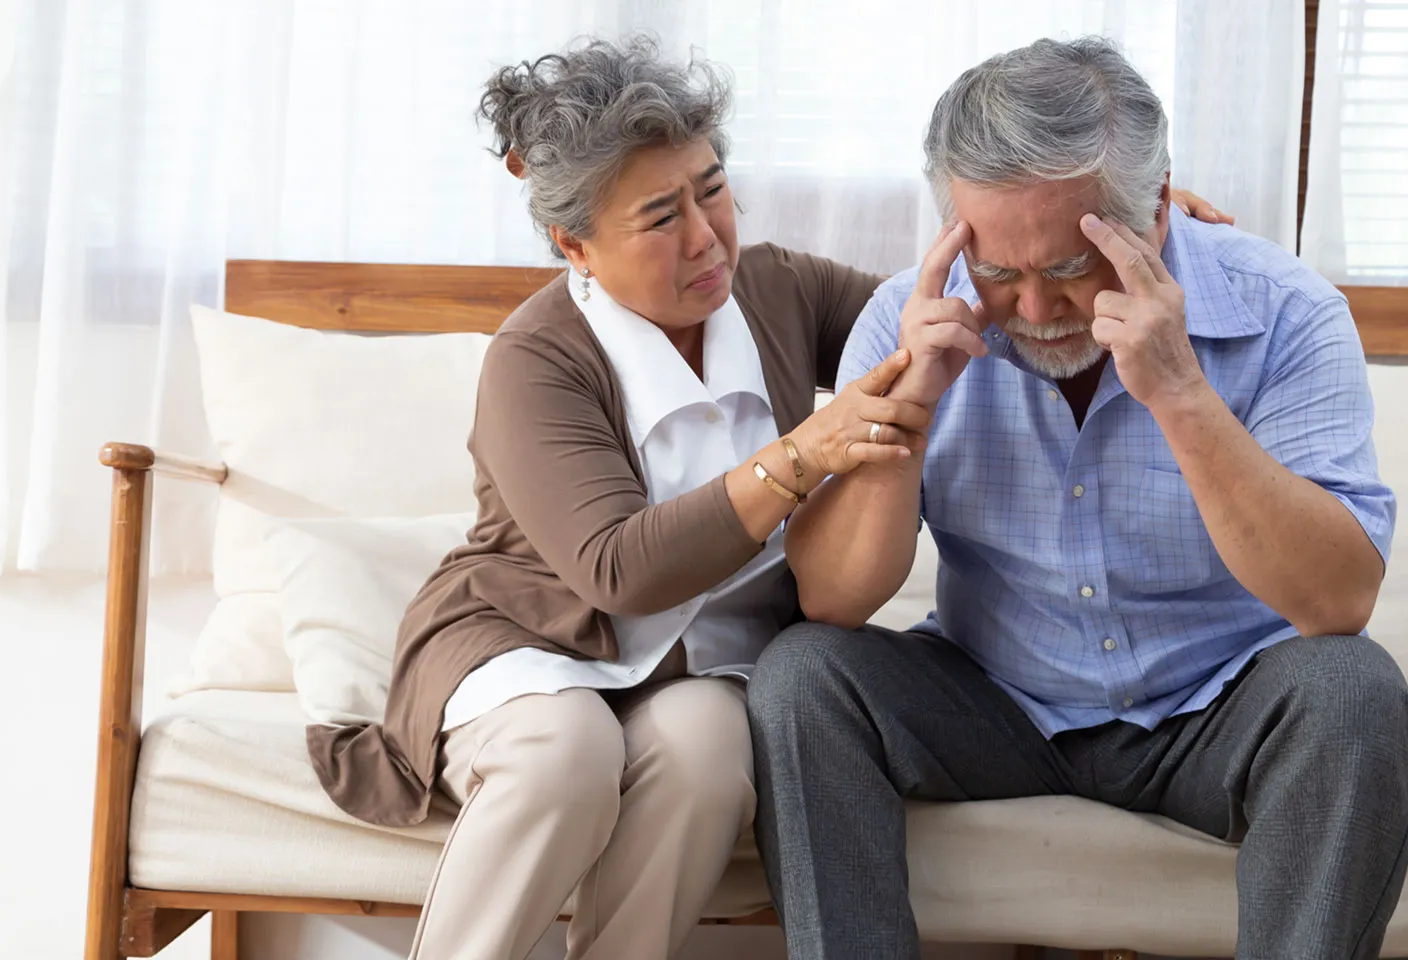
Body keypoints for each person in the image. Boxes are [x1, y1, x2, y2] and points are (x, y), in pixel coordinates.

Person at [306, 34, 1232, 960]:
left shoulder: (777, 288)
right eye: (660, 216)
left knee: (710, 752)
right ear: (574, 243)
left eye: (711, 188)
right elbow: (618, 569)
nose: (706, 236)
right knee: (568, 754)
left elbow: (961, 320)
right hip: (533, 643)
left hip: (692, 670)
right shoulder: (536, 357)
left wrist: (1121, 234)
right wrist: (804, 452)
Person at [747, 35, 1406, 960]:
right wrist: (912, 412)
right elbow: (834, 599)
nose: (1034, 309)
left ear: (1159, 212)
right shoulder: (910, 320)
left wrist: (1181, 393)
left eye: (1067, 269)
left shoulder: (1289, 313)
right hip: (998, 700)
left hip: (1218, 707)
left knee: (1354, 692)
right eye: (996, 270)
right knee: (804, 673)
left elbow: (1337, 600)